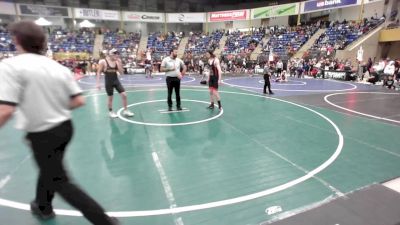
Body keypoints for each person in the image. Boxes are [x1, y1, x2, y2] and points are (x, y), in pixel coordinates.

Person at [0, 21, 119, 225]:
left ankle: (104, 221)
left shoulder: (11, 67)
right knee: (50, 167)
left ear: (17, 40)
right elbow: (78, 100)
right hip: (64, 128)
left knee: (59, 180)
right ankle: (43, 205)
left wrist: (40, 110)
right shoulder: (57, 67)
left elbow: (6, 110)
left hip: (42, 133)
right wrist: (52, 107)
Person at [96, 48, 134, 118]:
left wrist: (119, 63)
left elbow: (121, 73)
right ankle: (111, 111)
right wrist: (98, 83)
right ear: (110, 55)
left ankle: (125, 110)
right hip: (108, 82)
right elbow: (98, 72)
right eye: (115, 54)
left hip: (116, 81)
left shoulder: (117, 62)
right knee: (110, 98)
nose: (116, 55)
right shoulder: (103, 62)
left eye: (117, 54)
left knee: (124, 95)